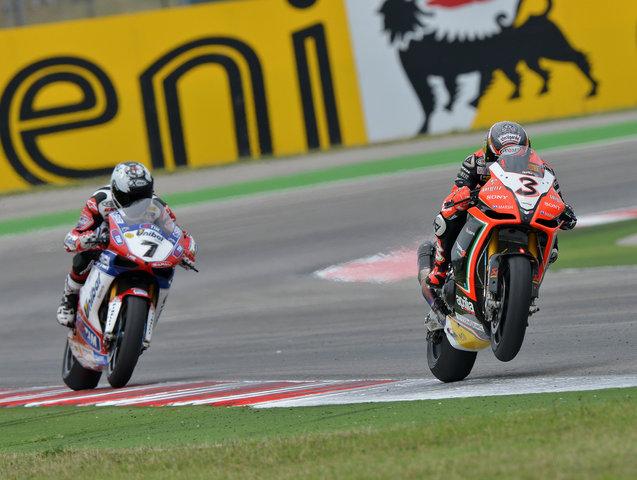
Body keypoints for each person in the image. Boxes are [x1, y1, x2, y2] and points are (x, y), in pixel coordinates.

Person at [421, 121, 577, 292]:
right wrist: (463, 195)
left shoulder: (544, 169)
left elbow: (556, 198)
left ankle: (529, 281)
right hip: (484, 208)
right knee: (445, 218)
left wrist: (564, 211)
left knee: (553, 248)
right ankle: (440, 269)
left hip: (523, 210)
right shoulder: (474, 162)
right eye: (502, 154)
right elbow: (455, 193)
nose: (511, 158)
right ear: (490, 151)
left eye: (518, 153)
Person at [56, 162, 197, 327]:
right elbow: (73, 236)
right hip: (107, 244)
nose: (136, 203)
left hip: (140, 248)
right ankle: (69, 298)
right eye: (129, 198)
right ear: (115, 191)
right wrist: (88, 238)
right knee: (84, 258)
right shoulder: (100, 201)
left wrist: (185, 249)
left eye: (142, 197)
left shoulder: (157, 206)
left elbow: (176, 232)